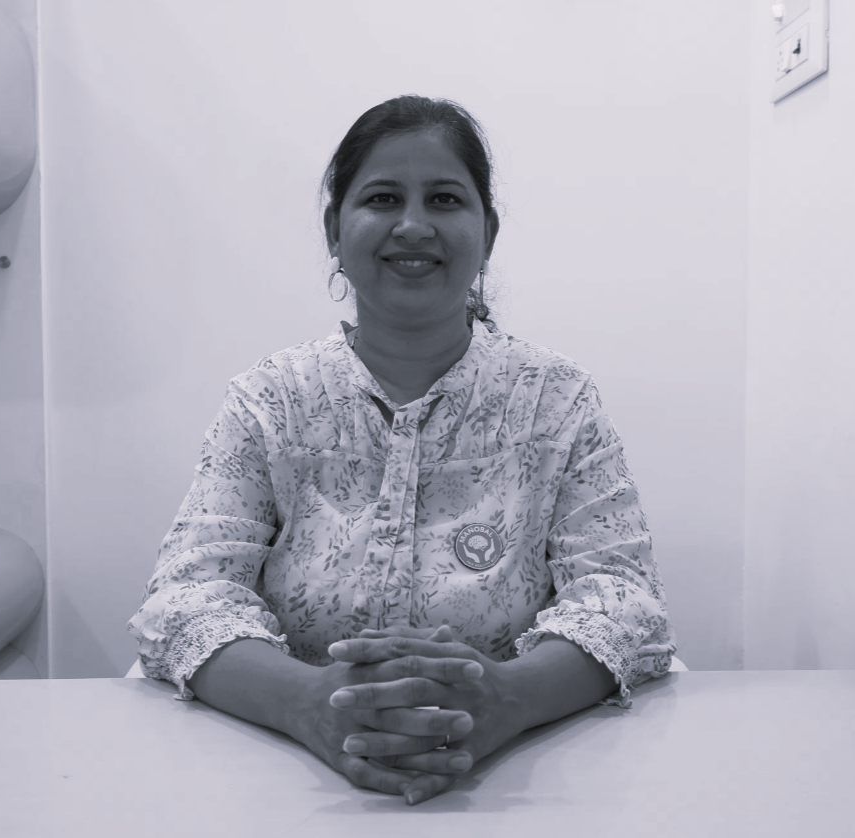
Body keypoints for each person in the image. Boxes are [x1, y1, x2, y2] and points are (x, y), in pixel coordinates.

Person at [127, 95, 677, 806]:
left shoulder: (557, 401)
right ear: (335, 229)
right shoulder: (271, 400)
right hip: (290, 781)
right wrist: (307, 703)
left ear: (488, 232)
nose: (413, 225)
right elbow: (186, 597)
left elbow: (625, 600)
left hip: (517, 780)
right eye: (383, 198)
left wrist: (508, 697)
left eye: (444, 199)